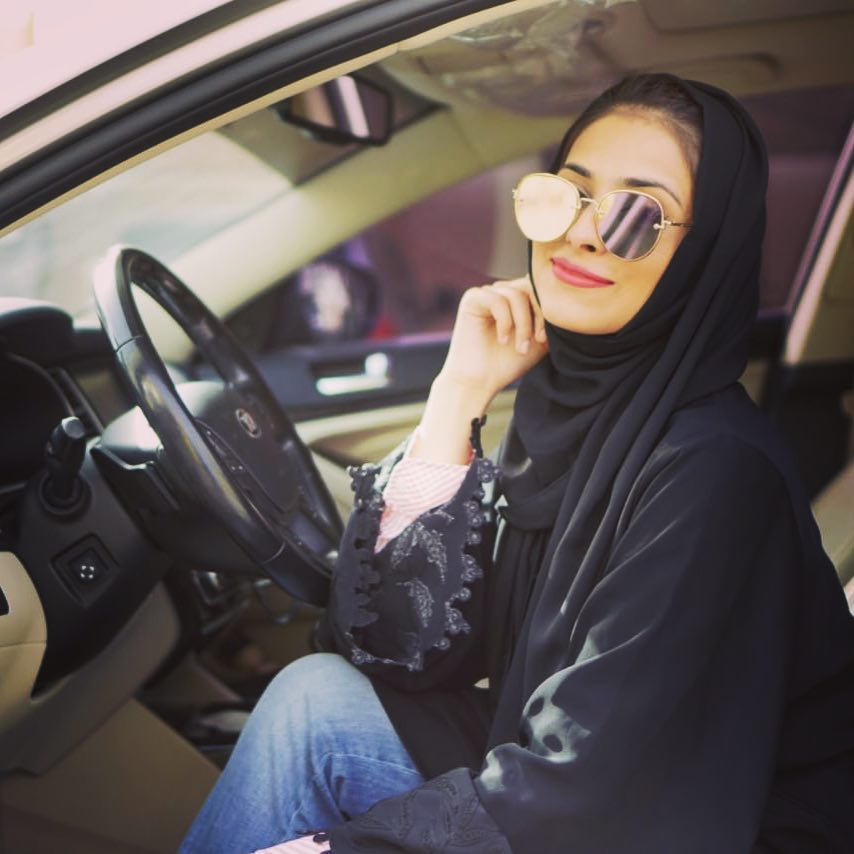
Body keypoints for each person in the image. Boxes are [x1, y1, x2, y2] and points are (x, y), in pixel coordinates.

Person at [180, 73, 854, 853]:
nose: (583, 234)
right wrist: (458, 395)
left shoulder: (715, 471)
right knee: (317, 699)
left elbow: (597, 796)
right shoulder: (569, 415)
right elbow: (396, 647)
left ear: (702, 253)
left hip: (691, 823)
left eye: (636, 214)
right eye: (565, 195)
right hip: (579, 773)